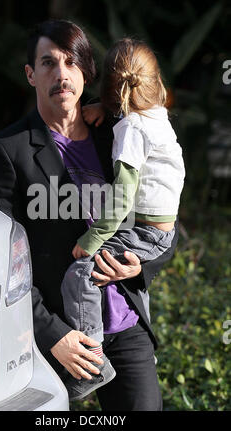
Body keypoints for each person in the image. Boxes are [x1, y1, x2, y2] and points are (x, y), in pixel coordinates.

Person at [0, 20, 179, 411]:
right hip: (60, 337)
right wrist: (52, 333)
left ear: (87, 72)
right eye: (48, 63)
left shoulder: (120, 135)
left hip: (125, 324)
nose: (61, 74)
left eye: (71, 62)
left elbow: (160, 219)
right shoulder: (7, 150)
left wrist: (138, 267)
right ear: (30, 74)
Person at [60, 37, 185, 401]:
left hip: (145, 234)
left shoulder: (130, 131)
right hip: (162, 228)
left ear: (110, 88)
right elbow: (135, 110)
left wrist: (93, 240)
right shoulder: (156, 114)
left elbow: (122, 196)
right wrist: (108, 106)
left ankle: (91, 364)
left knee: (79, 274)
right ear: (154, 82)